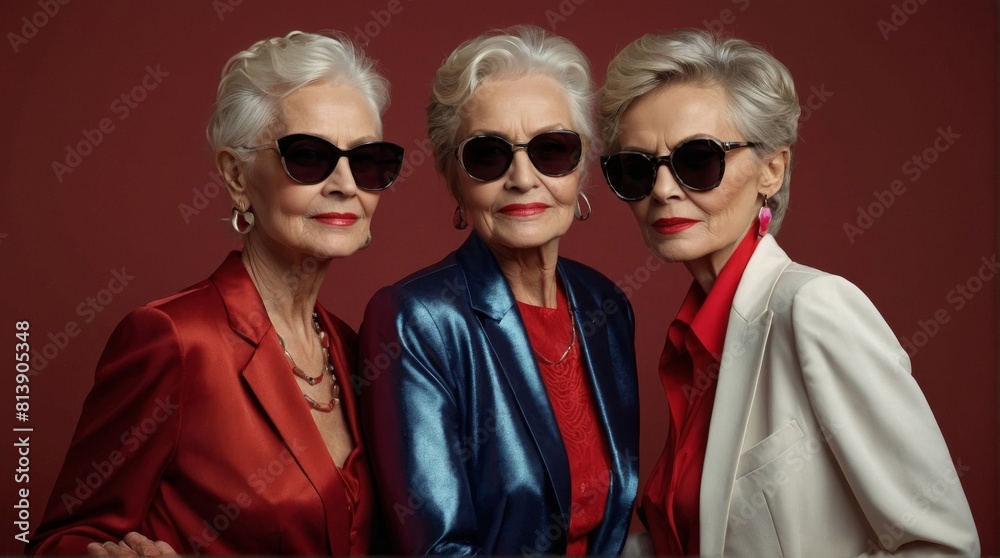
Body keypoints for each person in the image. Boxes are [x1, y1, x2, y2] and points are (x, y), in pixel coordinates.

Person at [598, 30, 980, 556]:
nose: (662, 190)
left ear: (771, 170)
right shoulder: (690, 341)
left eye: (697, 160)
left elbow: (943, 545)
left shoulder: (814, 308)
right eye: (637, 168)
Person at [27, 31, 404, 556]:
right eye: (308, 156)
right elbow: (60, 542)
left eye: (367, 161)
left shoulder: (353, 346)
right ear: (236, 176)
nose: (346, 184)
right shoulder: (175, 341)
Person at [358, 25, 639, 555]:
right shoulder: (416, 319)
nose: (522, 177)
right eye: (488, 155)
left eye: (552, 150)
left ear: (581, 170)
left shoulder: (606, 305)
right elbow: (437, 549)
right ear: (454, 179)